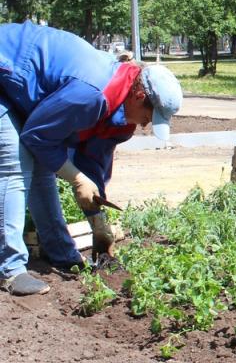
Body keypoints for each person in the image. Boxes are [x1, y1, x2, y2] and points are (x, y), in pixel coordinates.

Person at [0, 21, 183, 296]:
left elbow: (91, 163)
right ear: (138, 96)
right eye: (149, 116)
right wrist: (76, 179)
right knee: (16, 161)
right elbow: (36, 137)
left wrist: (98, 222)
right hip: (6, 70)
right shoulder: (91, 94)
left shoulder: (120, 119)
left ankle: (61, 253)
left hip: (23, 88)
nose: (146, 125)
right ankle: (10, 270)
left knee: (43, 168)